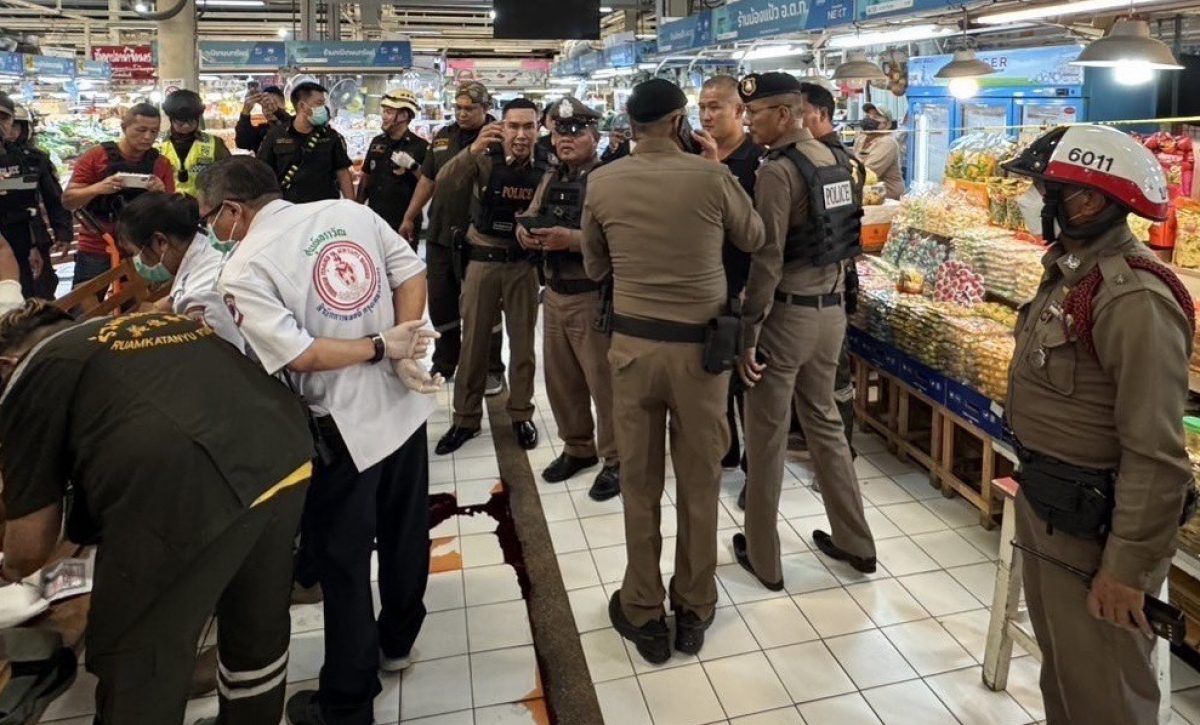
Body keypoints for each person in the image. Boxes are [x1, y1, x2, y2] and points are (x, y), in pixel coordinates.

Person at [201, 157, 440, 725]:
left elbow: (302, 355)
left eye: (209, 218)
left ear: (232, 210)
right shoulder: (347, 212)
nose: (212, 231)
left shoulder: (244, 267)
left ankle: (348, 701)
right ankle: (398, 641)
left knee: (344, 562)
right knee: (406, 532)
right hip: (403, 407)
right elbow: (412, 273)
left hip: (343, 426)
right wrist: (398, 347)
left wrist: (383, 347)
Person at [0, 299, 314, 725]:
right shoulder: (139, 327)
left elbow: (29, 547)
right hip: (284, 450)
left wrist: (11, 573)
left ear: (5, 364)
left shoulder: (31, 376)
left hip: (192, 485)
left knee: (139, 650)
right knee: (255, 624)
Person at [1002, 125, 1194, 725]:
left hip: (1097, 527)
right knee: (1066, 674)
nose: (1032, 200)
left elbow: (1157, 454)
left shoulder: (1133, 298)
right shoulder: (1073, 273)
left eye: (1045, 190)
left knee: (1105, 692)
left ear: (1087, 201)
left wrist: (1125, 569)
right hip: (1051, 504)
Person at [582, 78, 764, 664]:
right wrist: (719, 172)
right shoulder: (710, 177)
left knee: (639, 482)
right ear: (680, 121)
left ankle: (642, 608)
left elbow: (595, 266)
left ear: (631, 125)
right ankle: (694, 605)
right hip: (701, 357)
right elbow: (754, 236)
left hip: (633, 350)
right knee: (699, 480)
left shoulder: (602, 181)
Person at [735, 74, 876, 591]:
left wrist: (749, 330)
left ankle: (764, 558)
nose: (748, 122)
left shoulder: (778, 171)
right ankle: (857, 542)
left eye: (756, 113)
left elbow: (767, 258)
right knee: (826, 424)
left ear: (784, 114)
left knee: (765, 434)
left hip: (787, 317)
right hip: (830, 313)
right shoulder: (835, 159)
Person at [433, 98, 548, 455]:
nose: (521, 135)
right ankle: (465, 418)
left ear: (538, 129)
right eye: (513, 126)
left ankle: (521, 413)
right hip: (483, 261)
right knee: (473, 346)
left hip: (523, 266)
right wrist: (471, 151)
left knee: (523, 347)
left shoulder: (547, 165)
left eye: (528, 127)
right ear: (502, 127)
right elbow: (444, 184)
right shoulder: (484, 157)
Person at [518, 96, 619, 501]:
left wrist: (571, 240)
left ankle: (617, 459)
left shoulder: (609, 179)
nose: (566, 139)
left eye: (576, 132)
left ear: (595, 136)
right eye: (560, 132)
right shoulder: (551, 176)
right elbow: (531, 212)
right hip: (555, 294)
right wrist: (524, 233)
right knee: (561, 383)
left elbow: (618, 241)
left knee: (605, 386)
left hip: (592, 298)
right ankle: (578, 448)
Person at [399, 82, 505, 387]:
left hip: (480, 237)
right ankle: (445, 362)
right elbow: (428, 180)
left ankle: (491, 367)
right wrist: (410, 216)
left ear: (486, 109)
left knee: (484, 306)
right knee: (441, 302)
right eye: (458, 107)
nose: (462, 113)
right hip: (441, 233)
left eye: (470, 108)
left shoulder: (499, 139)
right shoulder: (444, 136)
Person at [699, 74, 763, 474]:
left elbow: (764, 233)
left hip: (746, 287)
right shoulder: (693, 157)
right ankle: (724, 450)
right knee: (714, 373)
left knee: (750, 384)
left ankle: (755, 467)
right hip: (707, 287)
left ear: (739, 110)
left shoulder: (759, 161)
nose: (706, 116)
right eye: (702, 108)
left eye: (715, 107)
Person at [62, 102, 175, 287]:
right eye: (141, 130)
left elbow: (172, 210)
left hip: (141, 247)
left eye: (154, 132)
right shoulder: (95, 157)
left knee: (139, 300)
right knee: (86, 300)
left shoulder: (161, 164)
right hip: (98, 244)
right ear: (124, 127)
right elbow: (68, 200)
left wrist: (161, 193)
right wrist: (98, 188)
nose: (147, 137)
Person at [115, 191, 243, 351]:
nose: (136, 261)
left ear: (160, 242)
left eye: (134, 253)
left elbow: (224, 359)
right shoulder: (206, 241)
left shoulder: (197, 299)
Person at [0, 98, 71, 299]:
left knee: (38, 295)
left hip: (27, 237)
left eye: (4, 118)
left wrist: (63, 231)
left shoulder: (30, 159)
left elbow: (53, 198)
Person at [257, 81, 355, 204]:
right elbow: (263, 172)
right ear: (302, 106)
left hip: (324, 207)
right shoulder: (276, 135)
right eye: (319, 104)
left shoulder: (330, 136)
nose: (323, 109)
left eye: (324, 104)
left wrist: (352, 206)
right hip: (288, 206)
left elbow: (342, 173)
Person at [358, 89, 429, 247]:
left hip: (404, 219)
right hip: (376, 217)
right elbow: (366, 177)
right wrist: (358, 207)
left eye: (389, 112)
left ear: (403, 116)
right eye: (384, 111)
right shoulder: (377, 142)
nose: (384, 116)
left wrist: (413, 166)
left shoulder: (420, 146)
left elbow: (429, 183)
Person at [159, 89, 231, 198]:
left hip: (203, 204)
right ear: (171, 119)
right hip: (165, 204)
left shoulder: (214, 143)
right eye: (181, 122)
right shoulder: (156, 144)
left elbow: (227, 175)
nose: (186, 126)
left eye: (191, 121)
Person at [858, 108, 904, 200]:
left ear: (888, 124)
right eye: (868, 115)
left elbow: (868, 173)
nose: (870, 118)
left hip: (886, 196)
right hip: (868, 193)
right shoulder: (862, 138)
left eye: (876, 116)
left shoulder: (887, 142)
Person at [235, 85, 290, 153]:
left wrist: (278, 112)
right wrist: (245, 112)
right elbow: (242, 144)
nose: (269, 108)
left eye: (273, 103)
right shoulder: (262, 132)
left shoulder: (294, 125)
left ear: (284, 105)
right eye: (265, 106)